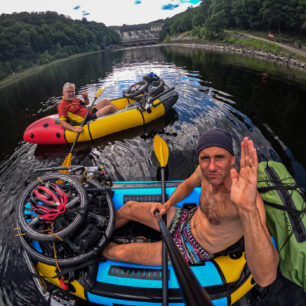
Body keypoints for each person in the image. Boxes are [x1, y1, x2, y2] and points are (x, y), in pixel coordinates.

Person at [102, 128, 279, 287]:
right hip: (184, 218)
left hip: (192, 248)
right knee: (129, 208)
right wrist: (168, 204)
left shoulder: (246, 198)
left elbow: (266, 278)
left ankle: (91, 249)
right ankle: (101, 230)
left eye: (219, 157)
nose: (211, 166)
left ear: (232, 159)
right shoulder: (205, 172)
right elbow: (187, 185)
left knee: (118, 252)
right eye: (205, 158)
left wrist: (247, 209)